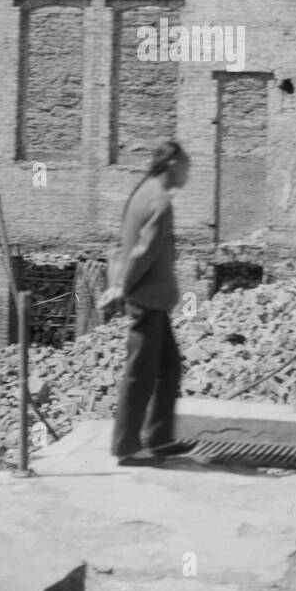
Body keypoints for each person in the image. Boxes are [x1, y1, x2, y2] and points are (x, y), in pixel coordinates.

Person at [109, 137, 190, 466]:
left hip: (152, 297)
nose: (188, 174)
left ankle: (158, 439)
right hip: (147, 298)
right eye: (186, 167)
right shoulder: (159, 200)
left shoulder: (142, 190)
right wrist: (122, 288)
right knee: (140, 373)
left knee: (169, 368)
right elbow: (142, 253)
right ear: (172, 165)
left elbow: (124, 244)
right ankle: (128, 447)